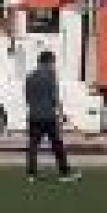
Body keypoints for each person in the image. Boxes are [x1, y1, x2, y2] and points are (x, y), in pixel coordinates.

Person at [25, 50, 81, 183]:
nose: (54, 65)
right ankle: (65, 173)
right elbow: (54, 97)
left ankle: (31, 175)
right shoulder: (51, 75)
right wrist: (62, 114)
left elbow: (27, 97)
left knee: (33, 146)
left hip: (34, 116)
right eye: (53, 62)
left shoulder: (30, 76)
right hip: (48, 117)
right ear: (49, 61)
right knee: (57, 145)